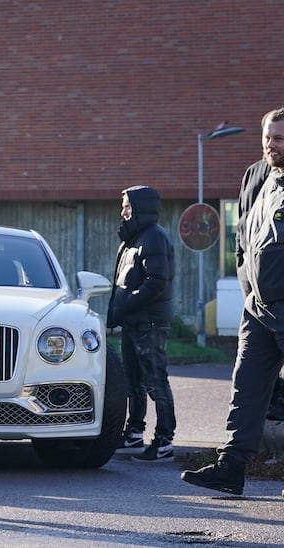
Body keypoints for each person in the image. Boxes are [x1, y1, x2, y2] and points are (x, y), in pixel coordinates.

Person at [182, 108, 284, 496]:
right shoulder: (256, 174)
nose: (270, 145)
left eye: (279, 139)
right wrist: (246, 284)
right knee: (247, 386)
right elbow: (243, 234)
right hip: (258, 306)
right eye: (267, 137)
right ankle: (231, 468)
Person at [107, 185, 177, 462]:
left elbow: (157, 281)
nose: (122, 211)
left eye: (126, 206)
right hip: (133, 321)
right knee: (132, 381)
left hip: (149, 323)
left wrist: (129, 303)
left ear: (140, 208)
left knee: (155, 381)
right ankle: (134, 432)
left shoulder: (154, 238)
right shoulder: (133, 238)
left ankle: (164, 441)